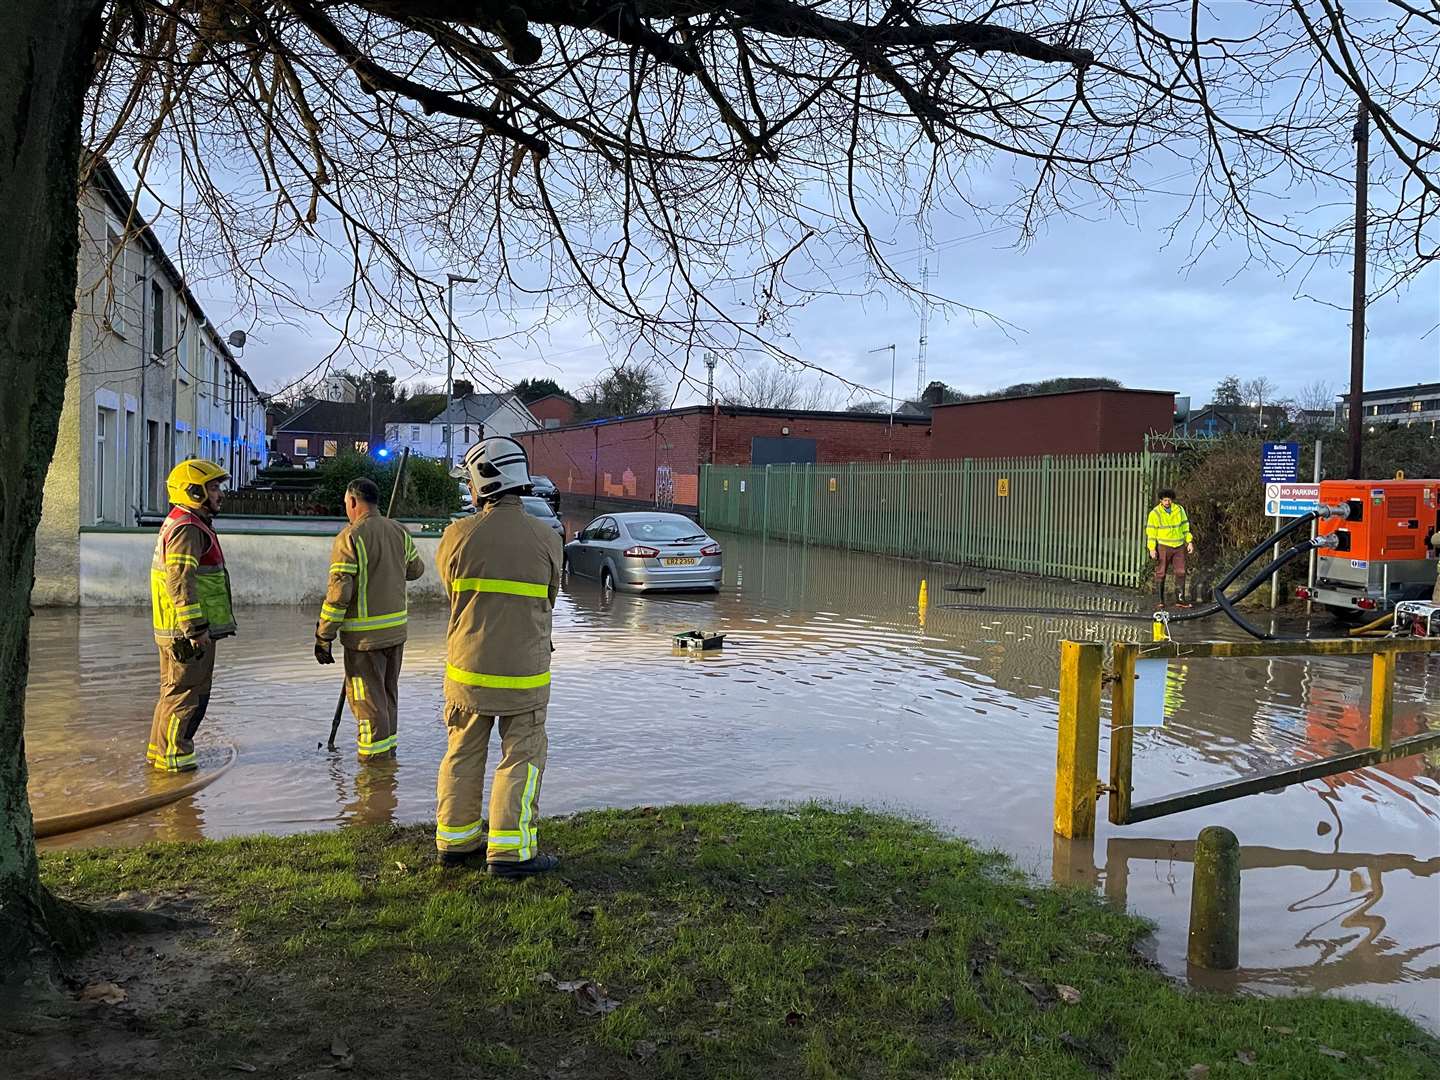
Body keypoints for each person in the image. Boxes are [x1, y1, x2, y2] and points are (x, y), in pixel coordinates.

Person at [433, 436, 563, 877]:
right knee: (521, 758)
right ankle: (509, 854)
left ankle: (455, 842)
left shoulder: (456, 536)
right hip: (524, 676)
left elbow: (452, 593)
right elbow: (550, 597)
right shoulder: (547, 537)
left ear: (483, 481)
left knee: (462, 753)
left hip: (466, 671)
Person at [315, 477, 424, 760]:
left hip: (364, 642)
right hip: (396, 635)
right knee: (387, 698)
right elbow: (416, 570)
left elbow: (339, 594)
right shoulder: (398, 531)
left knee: (367, 704)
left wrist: (323, 636)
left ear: (353, 501)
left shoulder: (349, 537)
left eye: (346, 504)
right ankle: (389, 759)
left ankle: (372, 775)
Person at [147, 459, 235, 772]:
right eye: (213, 488)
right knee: (187, 695)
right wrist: (195, 628)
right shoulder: (187, 528)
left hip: (178, 628)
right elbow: (180, 580)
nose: (219, 494)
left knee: (174, 692)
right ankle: (176, 764)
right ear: (193, 491)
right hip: (187, 632)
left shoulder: (183, 522)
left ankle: (161, 755)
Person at [1146, 487, 1195, 608]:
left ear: (1172, 500)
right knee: (1161, 572)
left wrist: (1189, 542)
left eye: (1169, 500)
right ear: (1161, 500)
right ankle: (1160, 600)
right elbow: (1151, 532)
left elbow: (1185, 526)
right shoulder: (1155, 513)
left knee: (1181, 572)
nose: (1167, 502)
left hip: (1179, 546)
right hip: (1163, 546)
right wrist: (1152, 548)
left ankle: (1180, 599)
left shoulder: (1179, 510)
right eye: (1165, 500)